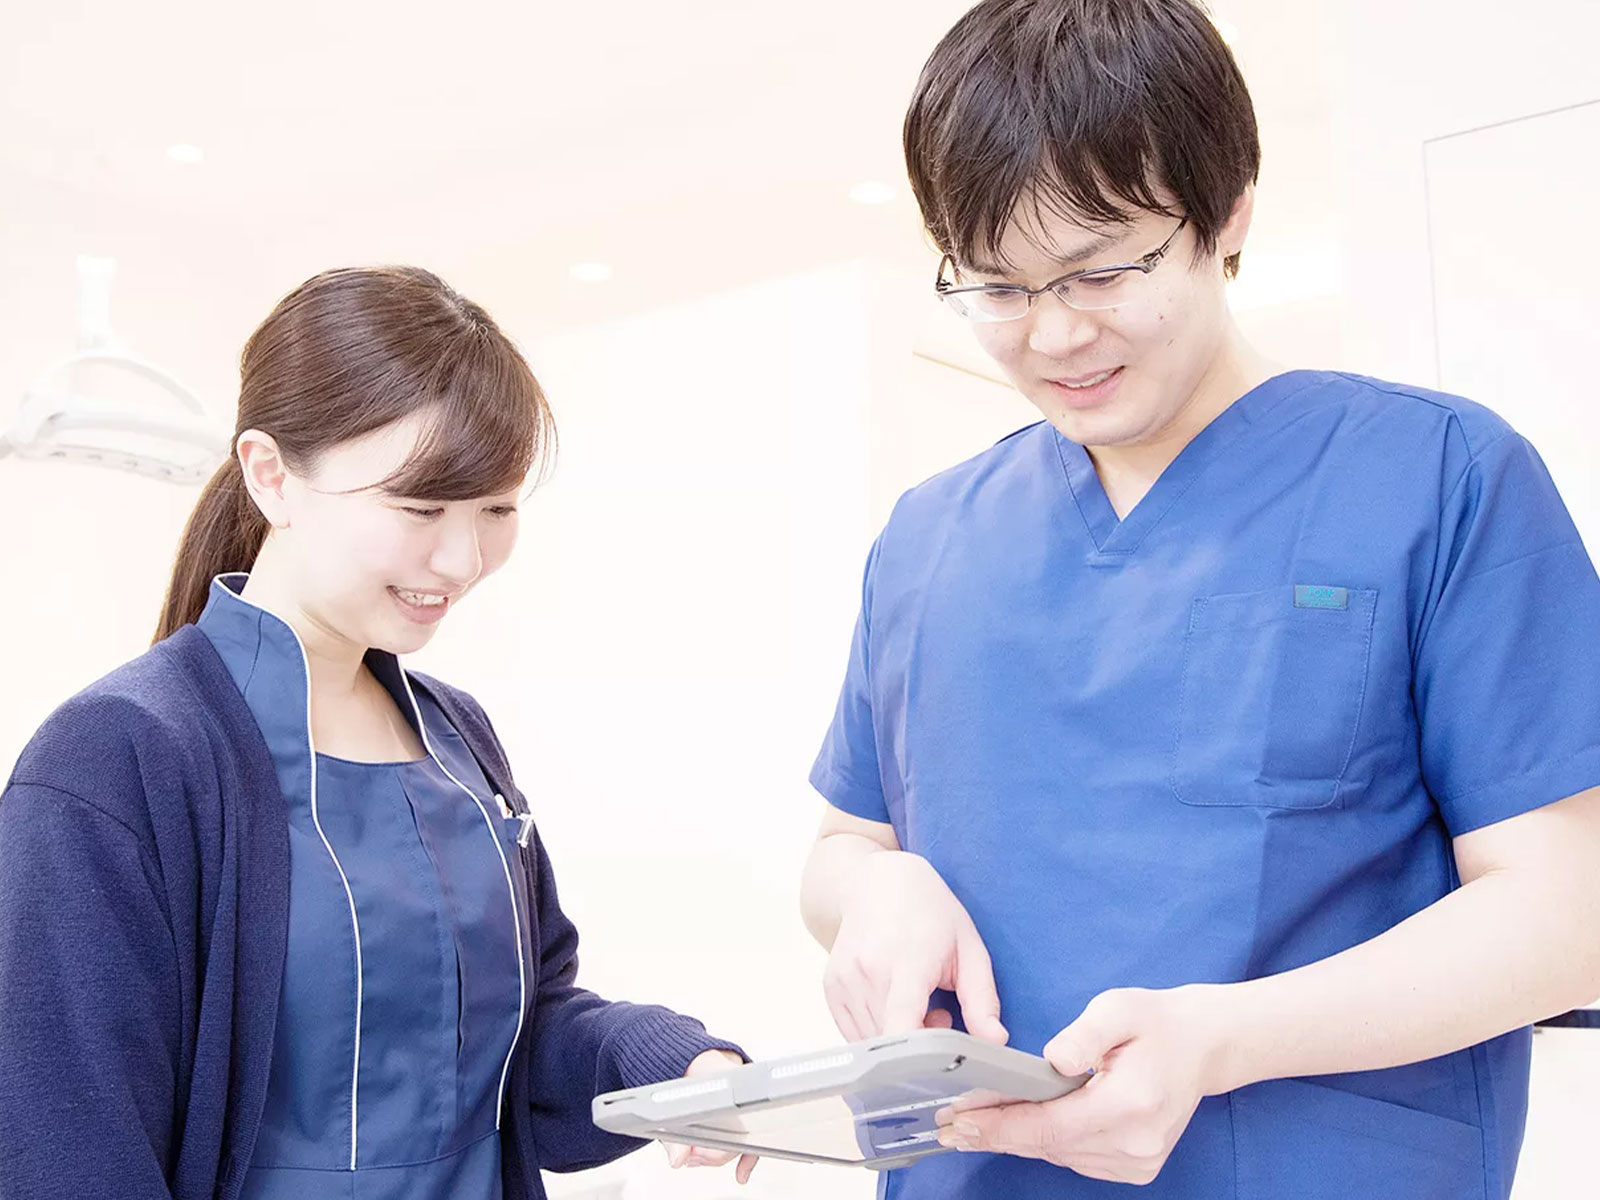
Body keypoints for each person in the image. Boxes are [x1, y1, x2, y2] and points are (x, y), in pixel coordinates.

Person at [799, 2, 1600, 1196]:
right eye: (998, 288)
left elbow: (1563, 909)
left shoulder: (1440, 481)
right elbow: (841, 846)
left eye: (1101, 269)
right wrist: (876, 888)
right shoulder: (928, 535)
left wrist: (1226, 1042)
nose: (1055, 334)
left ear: (1227, 213)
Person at [0, 266, 755, 1199]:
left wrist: (676, 1064)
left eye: (497, 510)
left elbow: (515, 1043)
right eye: (421, 509)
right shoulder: (120, 758)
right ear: (271, 474)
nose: (463, 559)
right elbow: (68, 1146)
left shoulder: (455, 735)